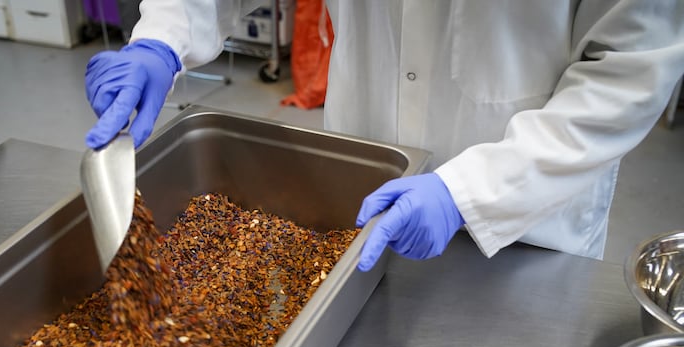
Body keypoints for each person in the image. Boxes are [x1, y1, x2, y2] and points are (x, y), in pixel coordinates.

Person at [84, 1, 684, 271]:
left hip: (531, 222)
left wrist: (470, 192)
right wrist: (165, 35)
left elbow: (630, 64)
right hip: (361, 181)